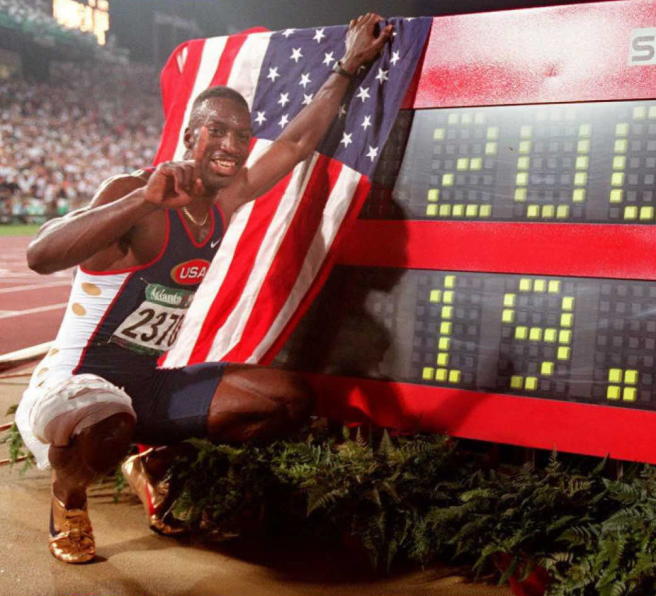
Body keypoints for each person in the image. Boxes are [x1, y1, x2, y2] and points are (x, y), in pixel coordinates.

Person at [15, 13, 393, 564]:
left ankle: (154, 465)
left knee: (285, 400)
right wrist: (144, 200)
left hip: (145, 387)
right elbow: (40, 254)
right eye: (217, 130)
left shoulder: (223, 202)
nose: (232, 144)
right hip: (74, 385)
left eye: (241, 135)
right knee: (110, 421)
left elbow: (292, 144)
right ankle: (68, 499)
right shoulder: (135, 194)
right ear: (191, 136)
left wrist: (347, 67)